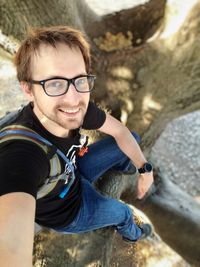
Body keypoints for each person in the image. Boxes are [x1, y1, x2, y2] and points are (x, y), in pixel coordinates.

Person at [0, 26, 154, 267]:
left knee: (130, 137)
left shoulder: (77, 109)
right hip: (70, 212)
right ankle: (132, 235)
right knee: (123, 213)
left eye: (79, 80)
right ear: (28, 88)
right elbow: (10, 247)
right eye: (54, 83)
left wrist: (144, 170)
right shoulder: (22, 155)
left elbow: (121, 132)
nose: (73, 99)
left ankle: (125, 170)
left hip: (73, 170)